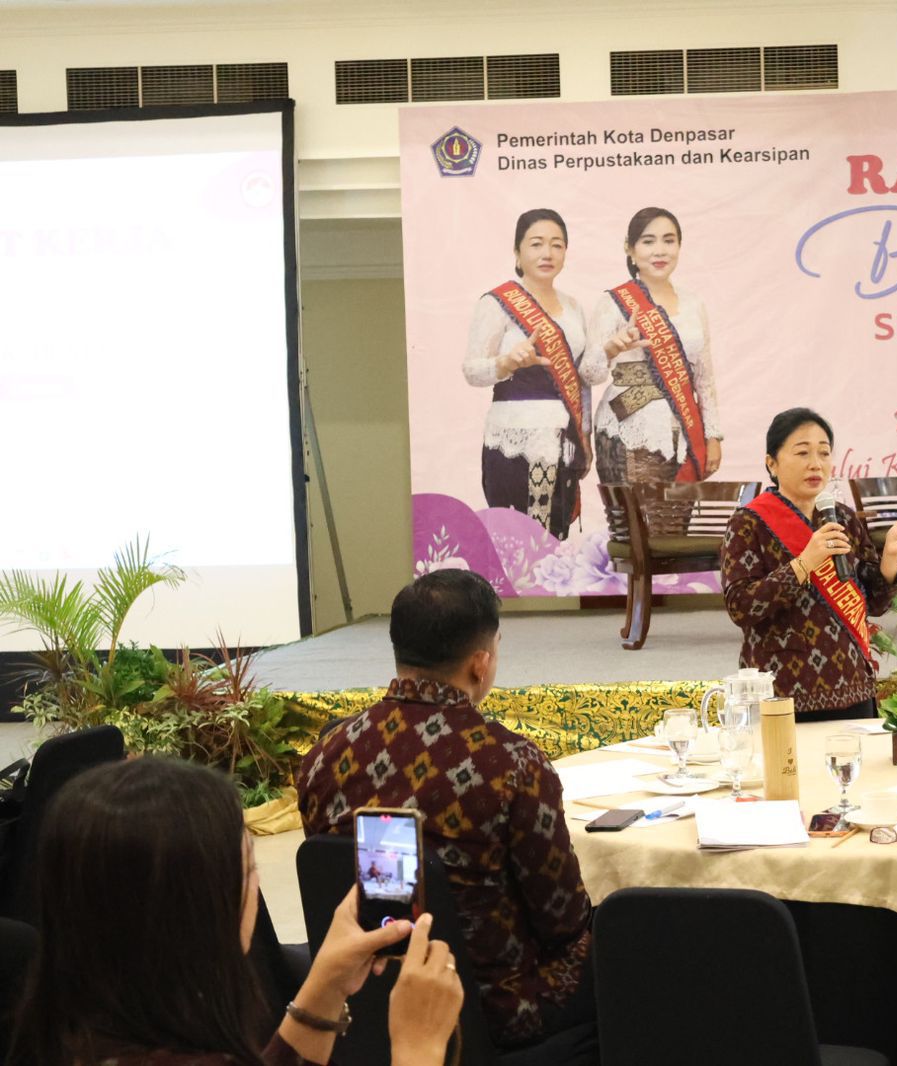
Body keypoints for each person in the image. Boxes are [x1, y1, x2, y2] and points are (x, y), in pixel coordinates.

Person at [296, 570, 595, 1054]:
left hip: (358, 993)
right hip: (493, 1010)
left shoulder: (324, 754)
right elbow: (563, 922)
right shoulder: (512, 764)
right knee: (630, 936)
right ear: (481, 663)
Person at [9, 757, 461, 1066]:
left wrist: (326, 984)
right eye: (249, 868)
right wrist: (417, 1047)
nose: (258, 883)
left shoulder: (69, 1035)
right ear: (198, 913)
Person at [720, 408, 897, 720]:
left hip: (853, 685)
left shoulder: (843, 518)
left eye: (824, 452)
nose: (816, 463)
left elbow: (874, 604)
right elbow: (741, 607)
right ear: (772, 463)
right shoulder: (748, 523)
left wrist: (890, 557)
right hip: (783, 692)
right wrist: (804, 564)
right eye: (802, 452)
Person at [464, 208, 591, 539]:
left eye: (557, 244)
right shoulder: (497, 303)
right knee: (517, 538)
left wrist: (585, 436)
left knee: (555, 534)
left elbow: (579, 380)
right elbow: (472, 370)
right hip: (515, 437)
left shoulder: (574, 307)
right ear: (518, 251)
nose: (547, 253)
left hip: (564, 435)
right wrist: (506, 363)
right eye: (536, 244)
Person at [584, 207, 723, 484]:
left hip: (685, 432)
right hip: (629, 429)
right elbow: (589, 373)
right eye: (648, 241)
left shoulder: (693, 304)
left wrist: (713, 435)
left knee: (675, 527)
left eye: (668, 240)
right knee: (636, 525)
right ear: (630, 248)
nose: (660, 251)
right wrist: (611, 349)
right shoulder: (613, 303)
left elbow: (704, 377)